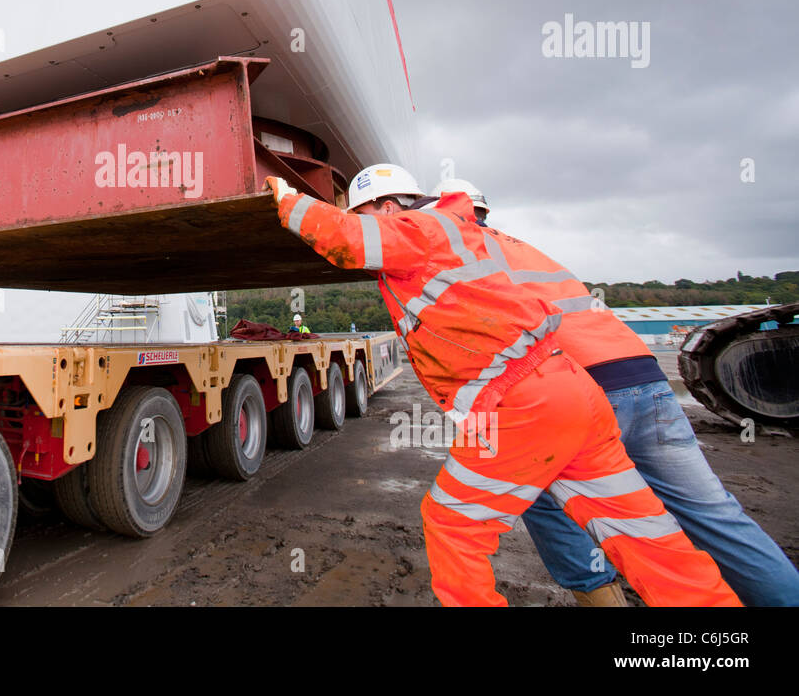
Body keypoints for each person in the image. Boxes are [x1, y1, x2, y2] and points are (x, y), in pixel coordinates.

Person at [267, 164, 740, 606]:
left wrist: (290, 201)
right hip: (569, 392)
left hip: (523, 403)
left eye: (364, 211)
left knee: (451, 523)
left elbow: (347, 241)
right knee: (642, 532)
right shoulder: (449, 236)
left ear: (389, 207)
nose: (364, 221)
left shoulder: (420, 229)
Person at [422, 182, 799, 607]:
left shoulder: (461, 255)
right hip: (644, 378)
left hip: (573, 388)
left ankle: (600, 596)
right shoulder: (527, 249)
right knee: (713, 513)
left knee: (542, 499)